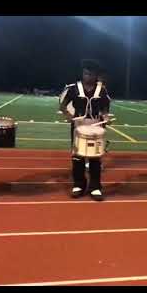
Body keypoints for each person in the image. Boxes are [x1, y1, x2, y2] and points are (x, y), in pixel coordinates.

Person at [59, 59, 111, 201]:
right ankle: (79, 184)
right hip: (78, 126)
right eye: (85, 73)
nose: (87, 76)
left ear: (95, 75)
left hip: (95, 125)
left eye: (90, 74)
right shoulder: (74, 88)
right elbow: (62, 106)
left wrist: (105, 117)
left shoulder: (102, 90)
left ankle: (95, 187)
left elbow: (105, 108)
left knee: (95, 158)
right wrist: (69, 116)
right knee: (78, 157)